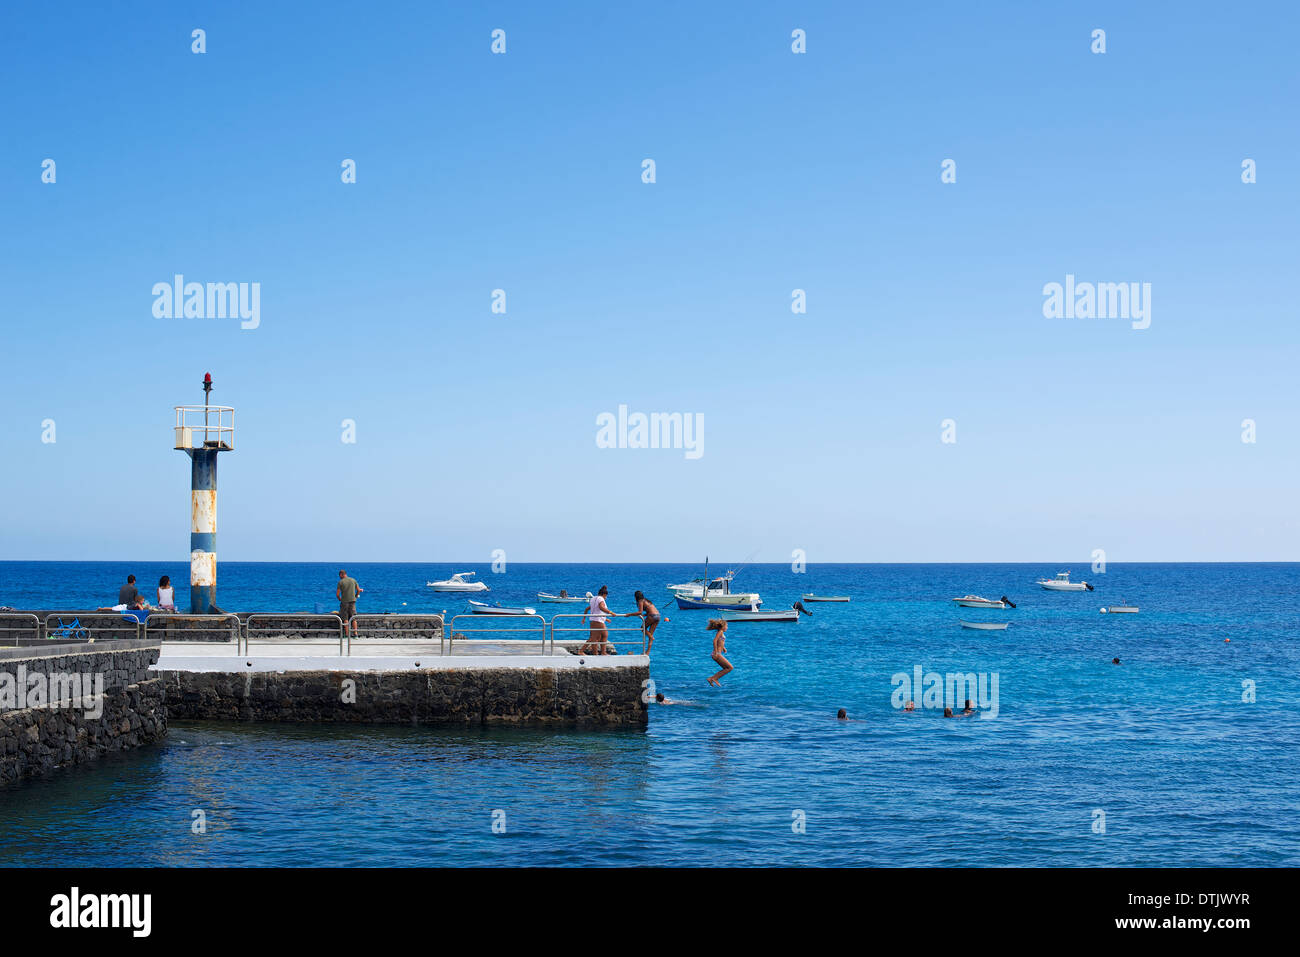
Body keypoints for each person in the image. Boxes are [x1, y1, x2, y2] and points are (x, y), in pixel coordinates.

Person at [580, 586, 615, 655]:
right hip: (598, 620)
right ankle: (600, 652)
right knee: (602, 635)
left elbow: (589, 609)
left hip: (593, 620)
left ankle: (596, 652)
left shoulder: (593, 599)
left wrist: (584, 618)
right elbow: (601, 607)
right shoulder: (601, 599)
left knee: (596, 637)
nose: (606, 598)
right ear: (604, 595)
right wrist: (610, 612)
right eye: (606, 596)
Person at [707, 618, 732, 686]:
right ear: (723, 626)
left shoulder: (721, 632)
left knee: (726, 668)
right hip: (716, 654)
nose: (727, 627)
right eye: (726, 626)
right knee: (730, 667)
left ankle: (712, 678)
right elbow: (714, 641)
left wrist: (723, 648)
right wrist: (715, 651)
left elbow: (720, 641)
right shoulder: (720, 632)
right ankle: (714, 678)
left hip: (717, 653)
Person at [336, 569, 363, 635]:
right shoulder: (353, 580)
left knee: (345, 618)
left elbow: (337, 594)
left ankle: (347, 634)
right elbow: (359, 590)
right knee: (353, 618)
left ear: (342, 574)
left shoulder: (340, 582)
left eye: (340, 575)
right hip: (353, 601)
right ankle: (356, 634)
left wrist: (340, 599)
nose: (340, 577)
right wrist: (356, 596)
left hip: (344, 602)